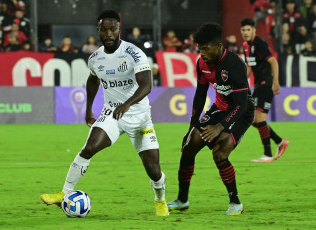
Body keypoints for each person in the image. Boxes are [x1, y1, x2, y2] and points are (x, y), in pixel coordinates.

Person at [40, 10, 169, 217]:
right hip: (112, 114)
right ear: (98, 31)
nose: (108, 33)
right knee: (88, 148)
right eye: (104, 30)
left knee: (153, 169)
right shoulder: (95, 58)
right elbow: (93, 80)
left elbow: (146, 86)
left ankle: (160, 200)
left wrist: (127, 104)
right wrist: (89, 108)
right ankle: (64, 192)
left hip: (139, 117)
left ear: (119, 29)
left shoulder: (134, 53)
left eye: (112, 29)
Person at [167, 22, 255, 215]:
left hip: (241, 112)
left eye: (205, 49)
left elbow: (241, 104)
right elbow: (200, 95)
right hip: (220, 108)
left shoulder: (235, 64)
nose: (202, 53)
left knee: (220, 152)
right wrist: (192, 125)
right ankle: (182, 200)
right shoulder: (201, 63)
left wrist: (220, 127)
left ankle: (236, 203)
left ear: (218, 46)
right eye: (199, 49)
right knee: (188, 146)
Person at [240, 18, 289, 162]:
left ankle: (268, 154)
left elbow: (273, 61)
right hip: (258, 85)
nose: (246, 32)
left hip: (266, 84)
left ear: (254, 30)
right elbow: (249, 67)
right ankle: (280, 142)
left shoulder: (259, 44)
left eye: (248, 29)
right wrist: (241, 83)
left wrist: (275, 82)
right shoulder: (245, 46)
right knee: (252, 120)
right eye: (243, 30)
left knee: (259, 119)